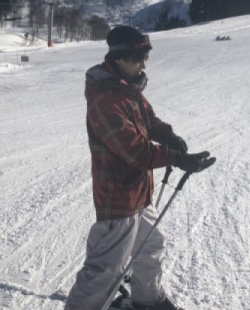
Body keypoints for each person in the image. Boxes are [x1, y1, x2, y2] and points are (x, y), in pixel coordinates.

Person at [64, 26, 216, 310]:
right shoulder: (104, 98)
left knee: (151, 247)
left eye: (145, 57)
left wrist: (168, 135)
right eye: (138, 58)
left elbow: (149, 119)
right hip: (118, 196)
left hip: (140, 192)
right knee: (106, 268)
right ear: (120, 57)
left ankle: (147, 300)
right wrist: (175, 158)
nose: (143, 65)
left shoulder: (128, 88)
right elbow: (134, 150)